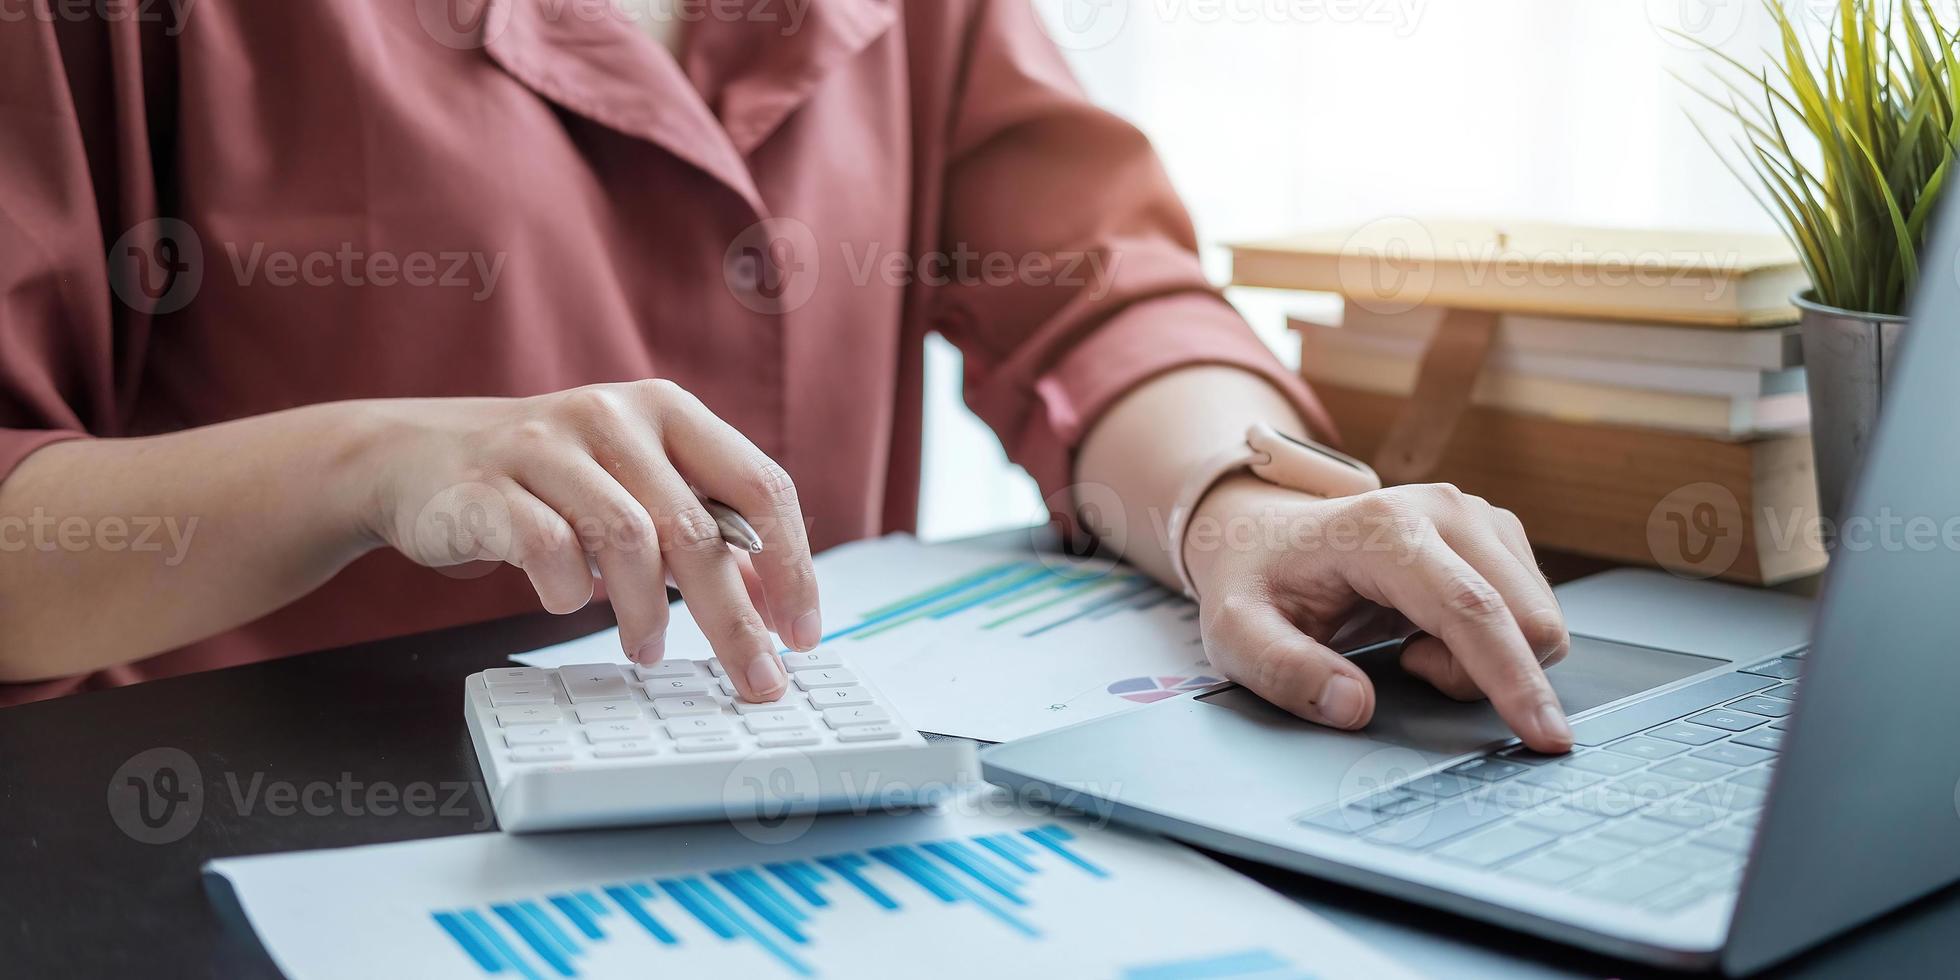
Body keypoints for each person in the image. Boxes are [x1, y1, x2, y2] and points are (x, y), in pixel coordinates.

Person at [0, 0, 1571, 751]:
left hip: (824, 847)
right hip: (284, 863)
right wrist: (369, 464)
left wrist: (1239, 512)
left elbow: (1096, 302)